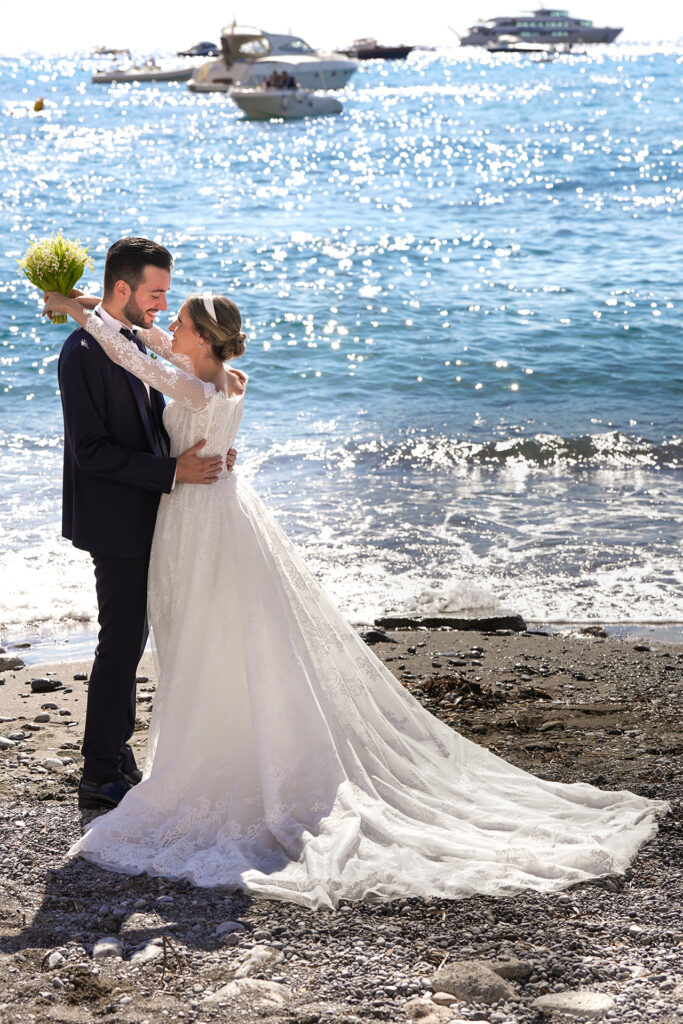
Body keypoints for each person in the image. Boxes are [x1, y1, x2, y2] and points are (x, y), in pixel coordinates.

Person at [45, 288, 668, 910]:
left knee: (203, 633)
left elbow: (136, 363)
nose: (167, 326)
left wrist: (83, 316)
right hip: (221, 509)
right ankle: (224, 744)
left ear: (203, 339)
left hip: (198, 519)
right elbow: (149, 346)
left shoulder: (195, 388)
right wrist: (97, 308)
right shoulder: (230, 378)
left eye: (178, 321)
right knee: (219, 631)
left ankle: (214, 759)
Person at [56, 237, 240, 812]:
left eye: (169, 300)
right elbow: (91, 451)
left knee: (134, 640)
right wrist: (173, 468)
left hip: (161, 512)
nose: (162, 307)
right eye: (156, 293)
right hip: (117, 517)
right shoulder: (85, 354)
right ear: (123, 289)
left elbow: (141, 353)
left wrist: (78, 304)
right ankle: (98, 771)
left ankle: (119, 754)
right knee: (120, 644)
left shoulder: (134, 344)